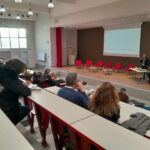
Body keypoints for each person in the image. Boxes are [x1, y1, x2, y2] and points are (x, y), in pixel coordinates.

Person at [0, 58, 31, 125]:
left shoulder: (2, 73)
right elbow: (27, 92)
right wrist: (21, 85)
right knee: (27, 109)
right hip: (7, 112)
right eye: (19, 73)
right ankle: (10, 125)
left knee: (21, 106)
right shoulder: (8, 78)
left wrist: (20, 84)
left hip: (3, 106)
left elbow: (9, 88)